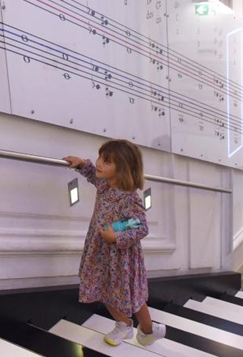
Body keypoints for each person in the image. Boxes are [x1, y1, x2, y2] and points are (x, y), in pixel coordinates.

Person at [63, 139, 166, 346]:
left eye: (107, 161)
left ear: (122, 169)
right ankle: (124, 324)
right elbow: (93, 174)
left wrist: (116, 233)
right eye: (100, 157)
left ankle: (148, 330)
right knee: (101, 289)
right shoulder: (105, 185)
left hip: (122, 258)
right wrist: (82, 164)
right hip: (100, 253)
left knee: (134, 299)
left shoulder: (129, 198)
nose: (100, 163)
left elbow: (140, 225)